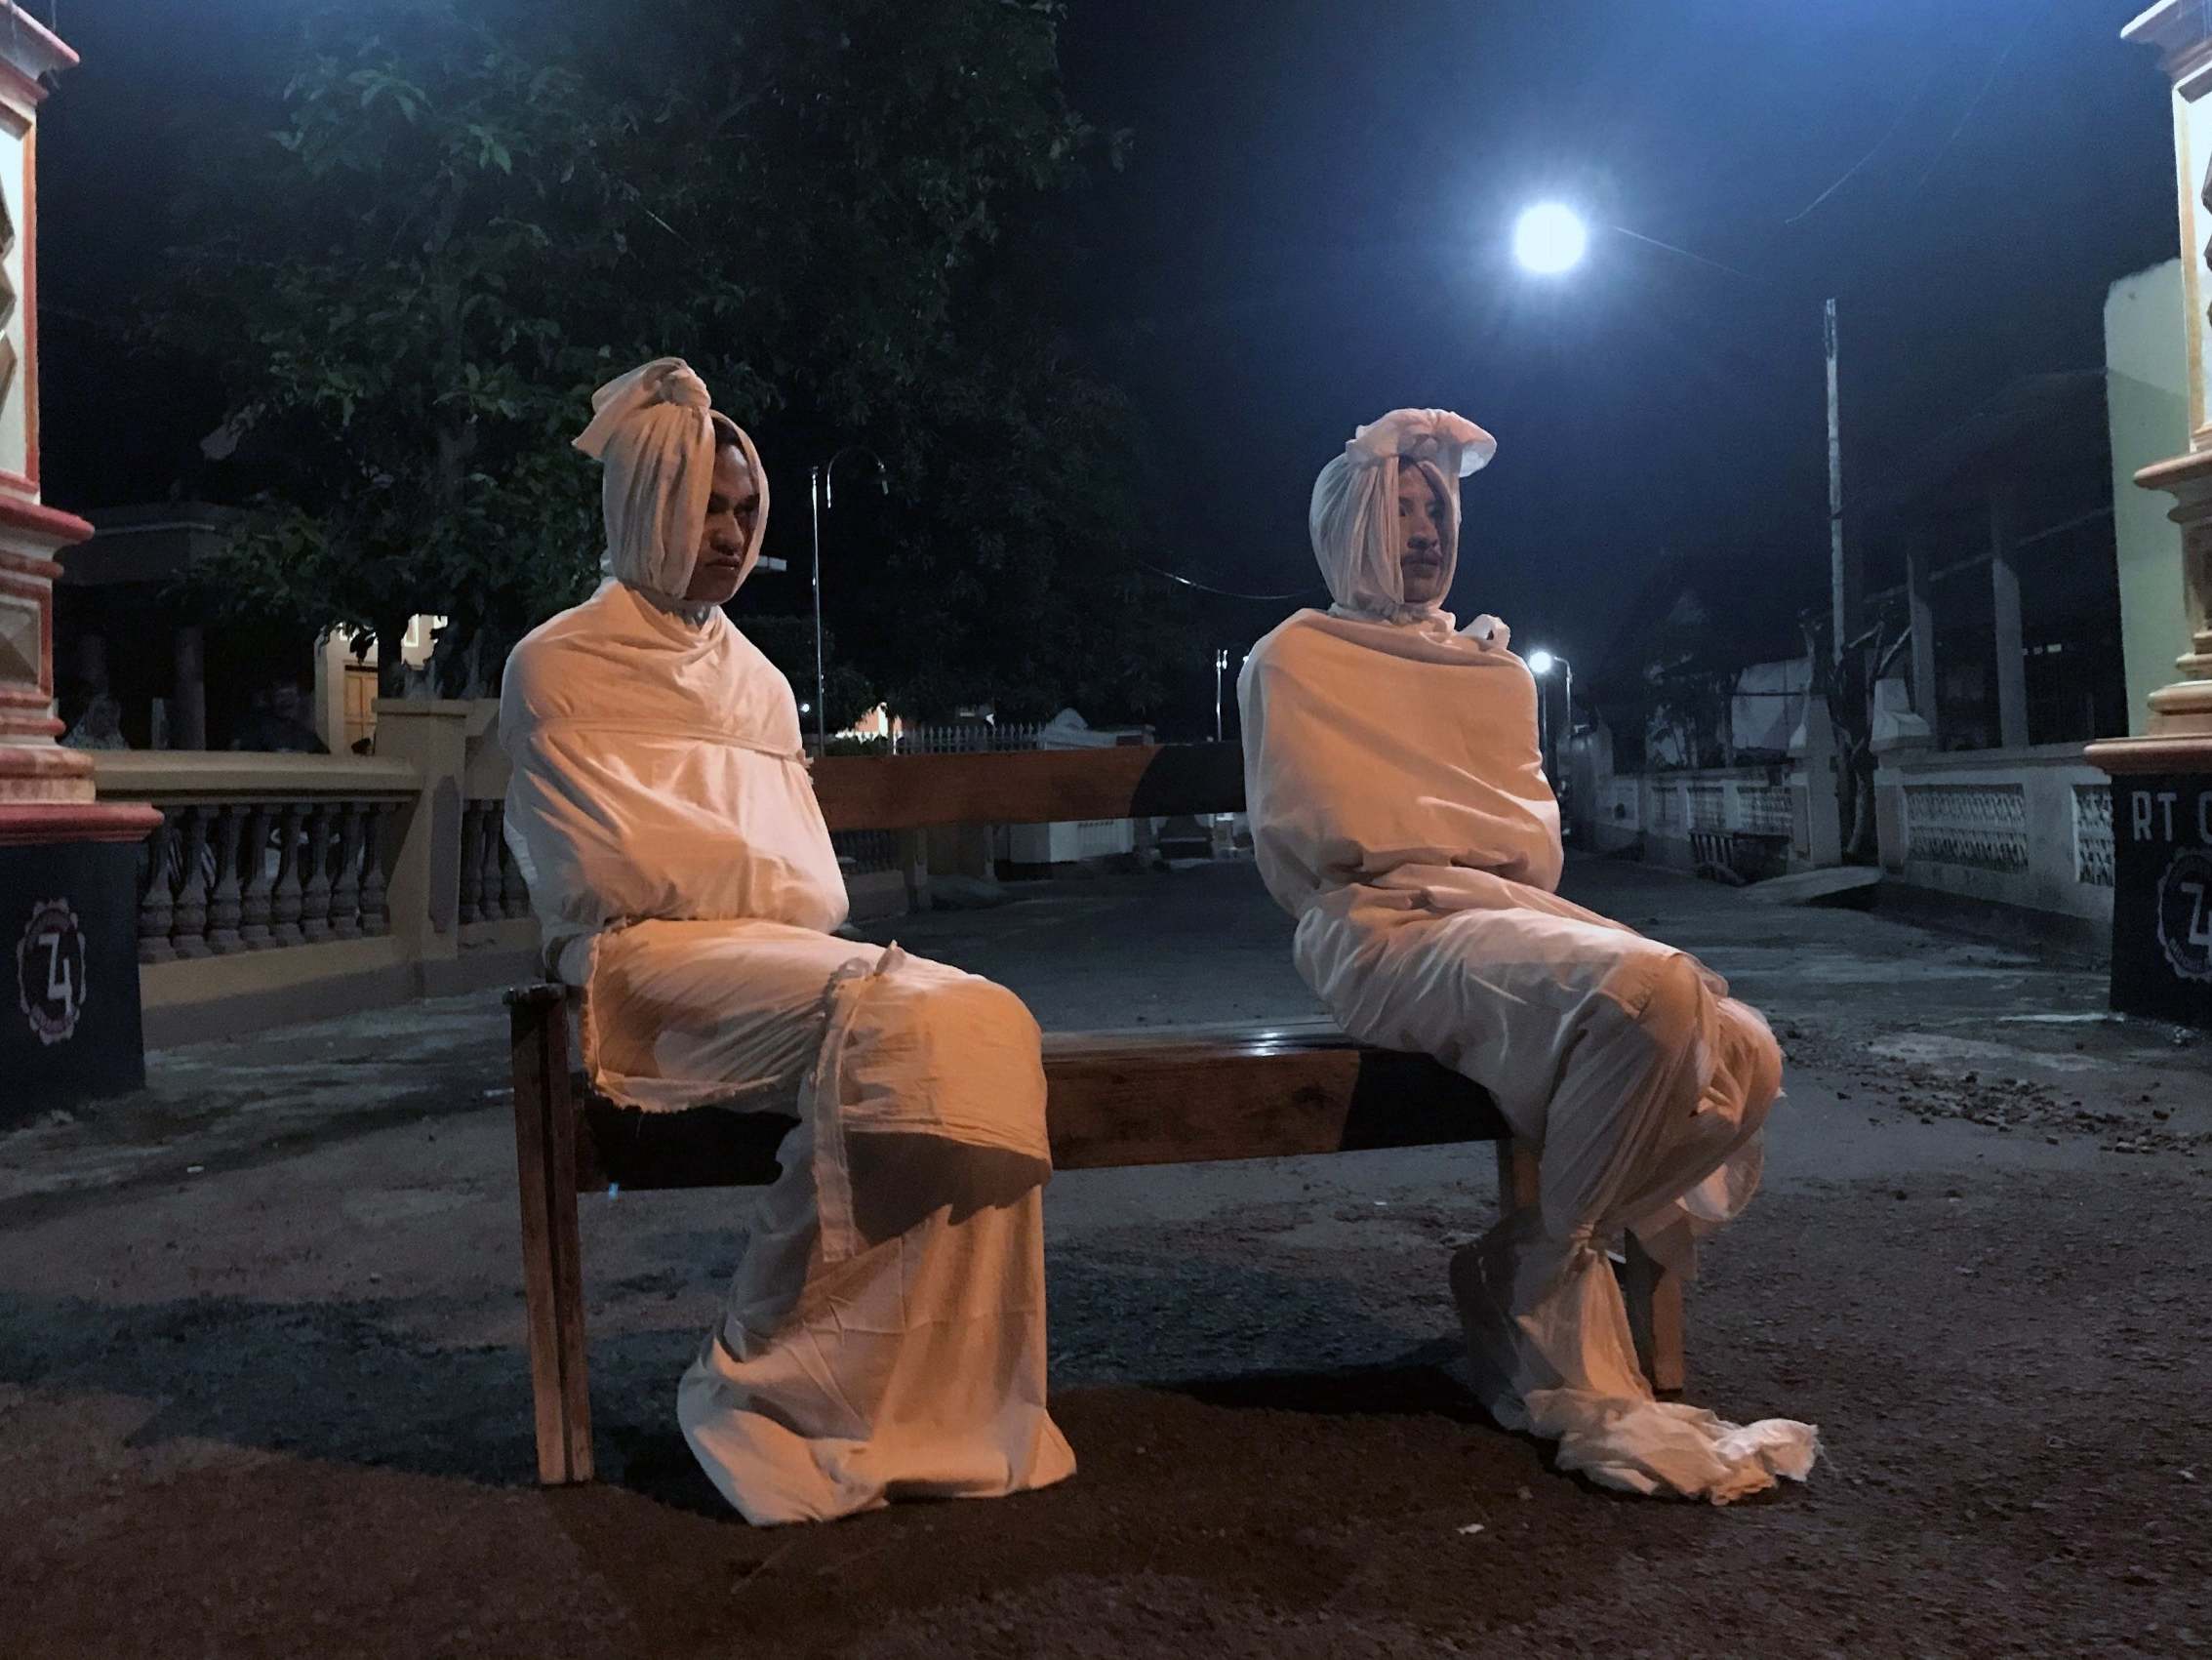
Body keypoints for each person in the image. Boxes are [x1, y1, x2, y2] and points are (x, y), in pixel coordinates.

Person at [500, 357, 1075, 1524]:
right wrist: (737, 875)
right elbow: (607, 876)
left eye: (744, 512)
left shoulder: (757, 682)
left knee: (974, 1020)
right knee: (905, 1015)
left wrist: (733, 873)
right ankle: (763, 1374)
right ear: (640, 501)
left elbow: (796, 886)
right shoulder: (553, 663)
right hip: (640, 973)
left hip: (772, 959)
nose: (728, 534)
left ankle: (911, 1398)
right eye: (705, 505)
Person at [1237, 408, 1817, 1503]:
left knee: (1743, 1048)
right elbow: (1306, 845)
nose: (1423, 530)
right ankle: (1551, 1286)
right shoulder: (1292, 659)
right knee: (1648, 996)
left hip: (1501, 916)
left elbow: (1529, 853)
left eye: (1438, 508)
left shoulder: (1493, 672)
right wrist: (1436, 857)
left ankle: (1524, 1261)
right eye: (1400, 508)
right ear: (1347, 521)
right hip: (1381, 927)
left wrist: (1477, 866)